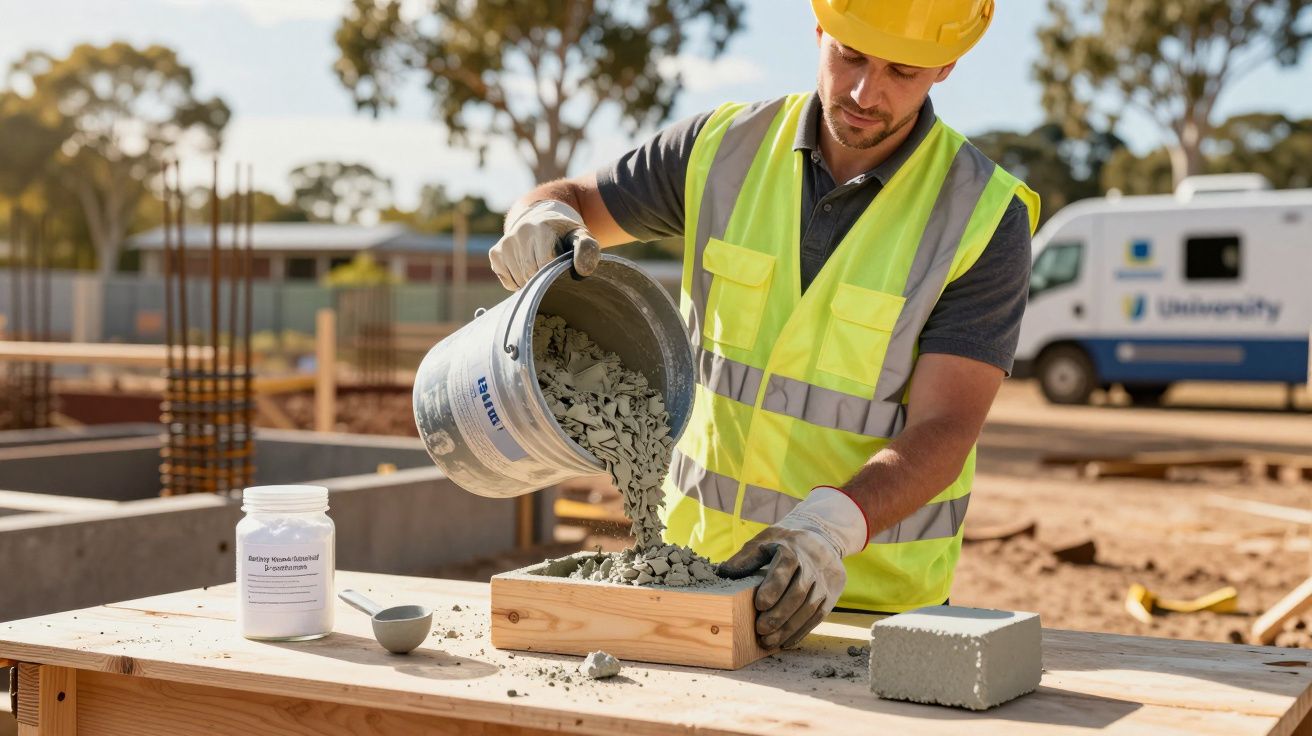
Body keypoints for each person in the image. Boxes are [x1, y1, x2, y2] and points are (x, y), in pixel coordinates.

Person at [489, 0, 1038, 650]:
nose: (866, 91)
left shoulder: (982, 215)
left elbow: (947, 425)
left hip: (870, 608)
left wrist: (831, 527)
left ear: (945, 66)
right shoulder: (721, 150)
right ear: (818, 30)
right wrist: (535, 216)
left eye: (901, 70)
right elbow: (575, 200)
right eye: (851, 55)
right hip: (694, 580)